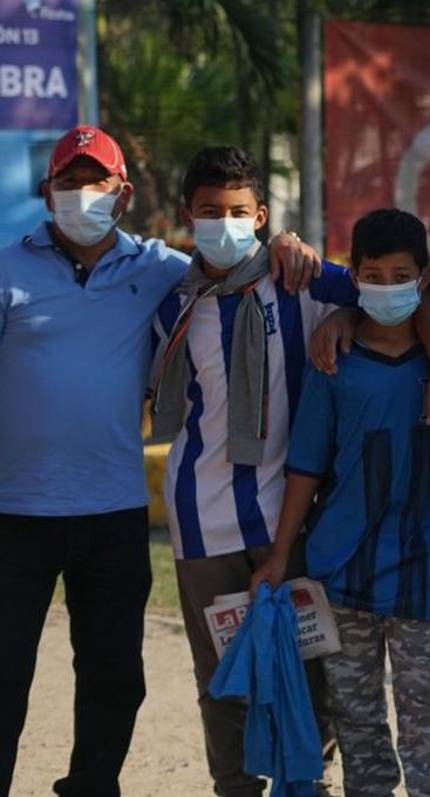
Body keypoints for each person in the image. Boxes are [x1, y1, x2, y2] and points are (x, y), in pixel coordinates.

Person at [0, 125, 324, 797]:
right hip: (14, 511)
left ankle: (91, 788)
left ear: (123, 196)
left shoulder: (161, 270)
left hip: (114, 509)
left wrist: (288, 245)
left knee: (115, 676)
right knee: (3, 674)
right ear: (46, 191)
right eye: (69, 182)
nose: (82, 194)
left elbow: (242, 267)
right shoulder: (7, 268)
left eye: (98, 183)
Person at [149, 146, 357, 797]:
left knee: (313, 663)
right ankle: (235, 786)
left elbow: (385, 297)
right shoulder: (173, 307)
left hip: (290, 518)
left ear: (262, 214)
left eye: (239, 211)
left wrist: (347, 311)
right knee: (223, 678)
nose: (224, 223)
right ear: (189, 217)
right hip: (202, 518)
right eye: (210, 211)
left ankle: (308, 780)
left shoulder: (300, 283)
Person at [251, 208, 430, 797]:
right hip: (339, 573)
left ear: (423, 279)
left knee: (426, 719)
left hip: (421, 572)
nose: (387, 287)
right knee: (357, 718)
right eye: (373, 274)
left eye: (402, 275)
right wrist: (280, 554)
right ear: (355, 274)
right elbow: (305, 468)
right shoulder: (332, 361)